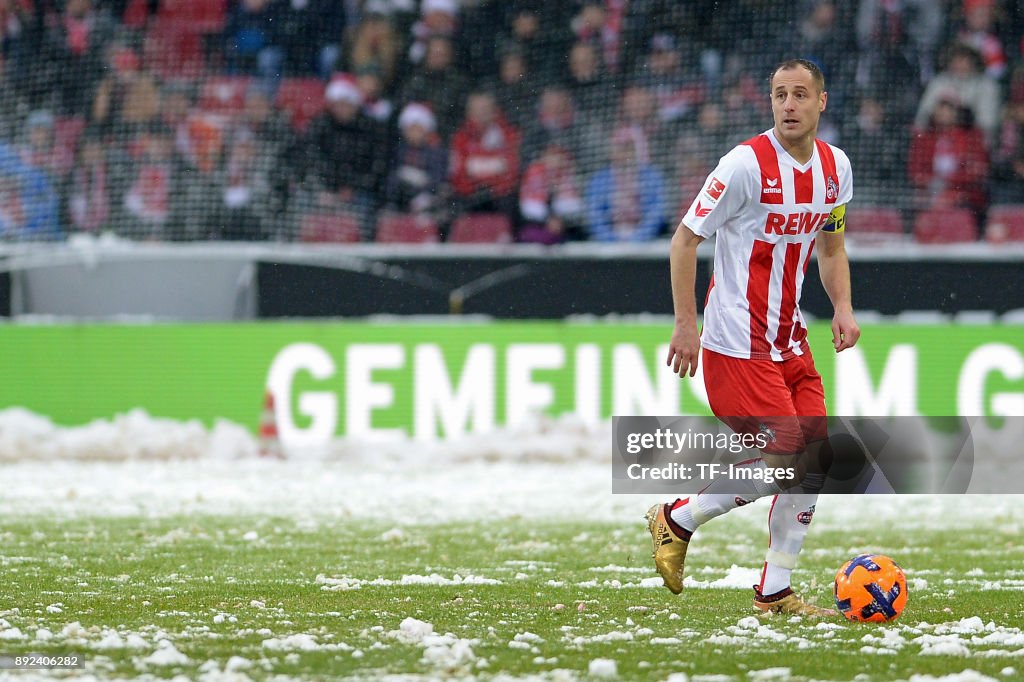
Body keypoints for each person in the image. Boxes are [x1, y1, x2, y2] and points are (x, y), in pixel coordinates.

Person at [647, 59, 859, 617]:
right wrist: (686, 325)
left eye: (798, 95)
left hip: (790, 340)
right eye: (778, 95)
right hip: (736, 343)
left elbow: (832, 247)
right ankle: (678, 517)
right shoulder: (744, 165)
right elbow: (684, 240)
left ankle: (775, 591)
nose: (788, 105)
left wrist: (842, 306)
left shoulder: (835, 169)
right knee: (789, 458)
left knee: (814, 461)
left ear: (821, 102)